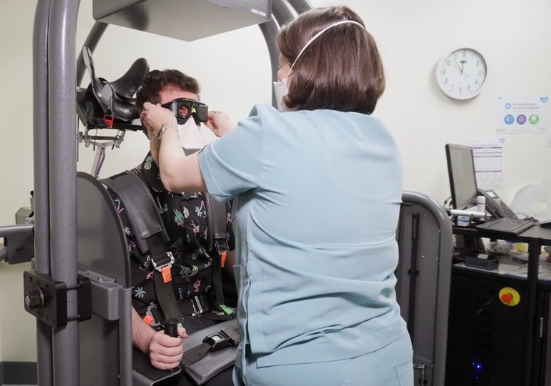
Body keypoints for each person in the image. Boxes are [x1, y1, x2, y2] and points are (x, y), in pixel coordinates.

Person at [141, 6, 413, 386]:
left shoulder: (268, 136)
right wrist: (235, 137)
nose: (281, 75)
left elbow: (172, 174)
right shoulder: (381, 140)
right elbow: (302, 176)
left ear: (308, 68)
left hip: (304, 367)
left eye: (285, 63)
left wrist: (167, 126)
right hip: (386, 357)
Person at [105, 69, 236, 385]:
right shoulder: (117, 198)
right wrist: (147, 339)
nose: (188, 123)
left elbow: (234, 263)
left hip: (220, 322)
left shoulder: (215, 190)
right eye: (178, 113)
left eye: (195, 113)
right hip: (162, 334)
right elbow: (107, 289)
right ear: (149, 119)